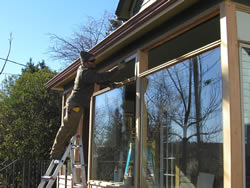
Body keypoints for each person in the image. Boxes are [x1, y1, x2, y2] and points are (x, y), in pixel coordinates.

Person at [50, 51, 124, 159]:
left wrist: (109, 84)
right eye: (92, 61)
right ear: (85, 63)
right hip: (76, 104)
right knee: (68, 128)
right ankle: (56, 153)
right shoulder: (85, 73)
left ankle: (59, 151)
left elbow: (97, 80)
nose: (95, 62)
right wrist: (117, 69)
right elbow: (100, 77)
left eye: (95, 60)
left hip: (77, 104)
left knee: (71, 129)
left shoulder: (86, 71)